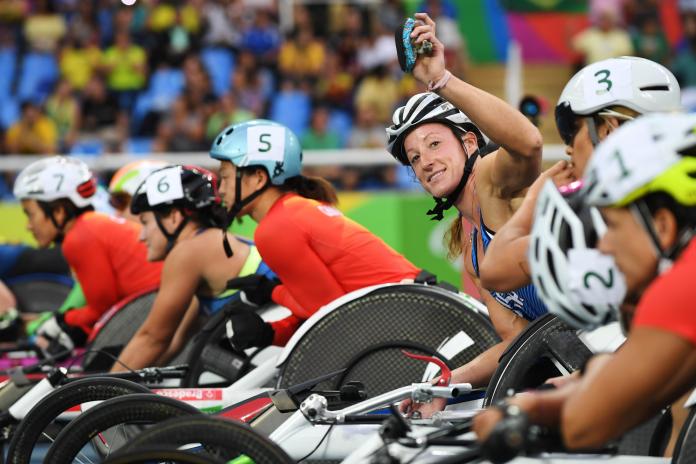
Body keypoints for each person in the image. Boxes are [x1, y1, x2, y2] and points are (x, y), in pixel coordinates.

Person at [474, 113, 696, 456]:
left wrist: (523, 409)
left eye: (612, 225)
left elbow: (586, 424)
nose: (604, 246)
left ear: (663, 226)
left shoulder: (684, 284)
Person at [386, 12, 543, 417]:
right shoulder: (473, 251)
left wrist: (441, 80)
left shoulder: (492, 178)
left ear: (470, 141)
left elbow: (527, 143)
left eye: (435, 144)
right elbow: (522, 344)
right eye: (415, 157)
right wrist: (447, 381)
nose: (425, 162)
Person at [209, 119, 421, 349]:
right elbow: (324, 315)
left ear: (259, 178)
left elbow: (331, 319)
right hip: (410, 313)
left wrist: (272, 292)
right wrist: (270, 334)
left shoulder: (276, 227)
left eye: (226, 177)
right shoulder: (295, 209)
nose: (220, 189)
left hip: (404, 323)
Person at [479, 57, 682, 296]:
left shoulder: (601, 213)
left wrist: (535, 199)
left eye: (573, 132)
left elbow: (494, 272)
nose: (568, 149)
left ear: (608, 128)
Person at [112, 165, 274, 371]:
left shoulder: (188, 252)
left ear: (173, 216)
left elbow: (153, 338)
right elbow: (173, 343)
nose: (141, 236)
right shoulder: (206, 243)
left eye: (145, 222)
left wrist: (95, 395)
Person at [13, 156, 162, 357]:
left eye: (30, 214)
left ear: (58, 211)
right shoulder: (91, 225)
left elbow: (101, 308)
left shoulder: (79, 237)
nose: (28, 225)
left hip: (150, 308)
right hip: (150, 304)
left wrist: (62, 321)